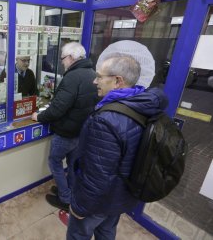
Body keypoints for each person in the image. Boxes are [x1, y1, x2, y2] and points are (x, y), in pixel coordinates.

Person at [67, 44, 168, 240]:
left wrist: (79, 207)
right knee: (106, 232)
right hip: (122, 195)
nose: (95, 81)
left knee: (78, 235)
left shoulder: (106, 120)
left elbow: (97, 175)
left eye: (100, 76)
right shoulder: (142, 104)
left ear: (117, 81)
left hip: (99, 201)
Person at [31, 42, 98, 211]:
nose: (62, 62)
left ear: (71, 57)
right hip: (81, 131)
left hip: (66, 132)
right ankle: (70, 191)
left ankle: (65, 198)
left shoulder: (72, 77)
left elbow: (57, 109)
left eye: (62, 58)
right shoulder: (93, 74)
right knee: (72, 163)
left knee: (55, 162)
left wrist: (39, 116)